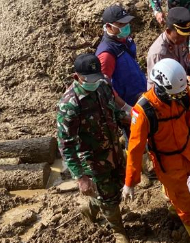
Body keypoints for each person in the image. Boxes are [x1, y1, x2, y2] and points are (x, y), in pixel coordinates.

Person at [122, 59, 190, 239]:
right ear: (160, 88)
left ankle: (175, 203)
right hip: (168, 166)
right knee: (186, 206)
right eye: (173, 96)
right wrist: (130, 181)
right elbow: (135, 147)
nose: (177, 99)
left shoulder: (182, 94)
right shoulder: (144, 110)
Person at [56, 54, 129, 243]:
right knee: (109, 197)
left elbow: (113, 110)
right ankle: (118, 231)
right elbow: (66, 145)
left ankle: (91, 207)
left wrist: (129, 118)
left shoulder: (103, 86)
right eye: (90, 80)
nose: (95, 82)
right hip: (93, 161)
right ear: (77, 77)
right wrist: (80, 177)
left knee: (120, 186)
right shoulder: (70, 105)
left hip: (114, 150)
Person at [95, 5, 146, 113]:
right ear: (109, 26)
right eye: (121, 24)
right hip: (130, 105)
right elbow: (104, 86)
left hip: (140, 96)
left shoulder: (125, 40)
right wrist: (126, 108)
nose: (126, 26)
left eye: (126, 22)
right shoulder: (106, 54)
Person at [146, 6, 190, 87]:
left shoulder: (179, 41)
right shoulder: (159, 53)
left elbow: (184, 60)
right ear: (168, 31)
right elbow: (157, 88)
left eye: (186, 35)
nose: (184, 39)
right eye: (181, 35)